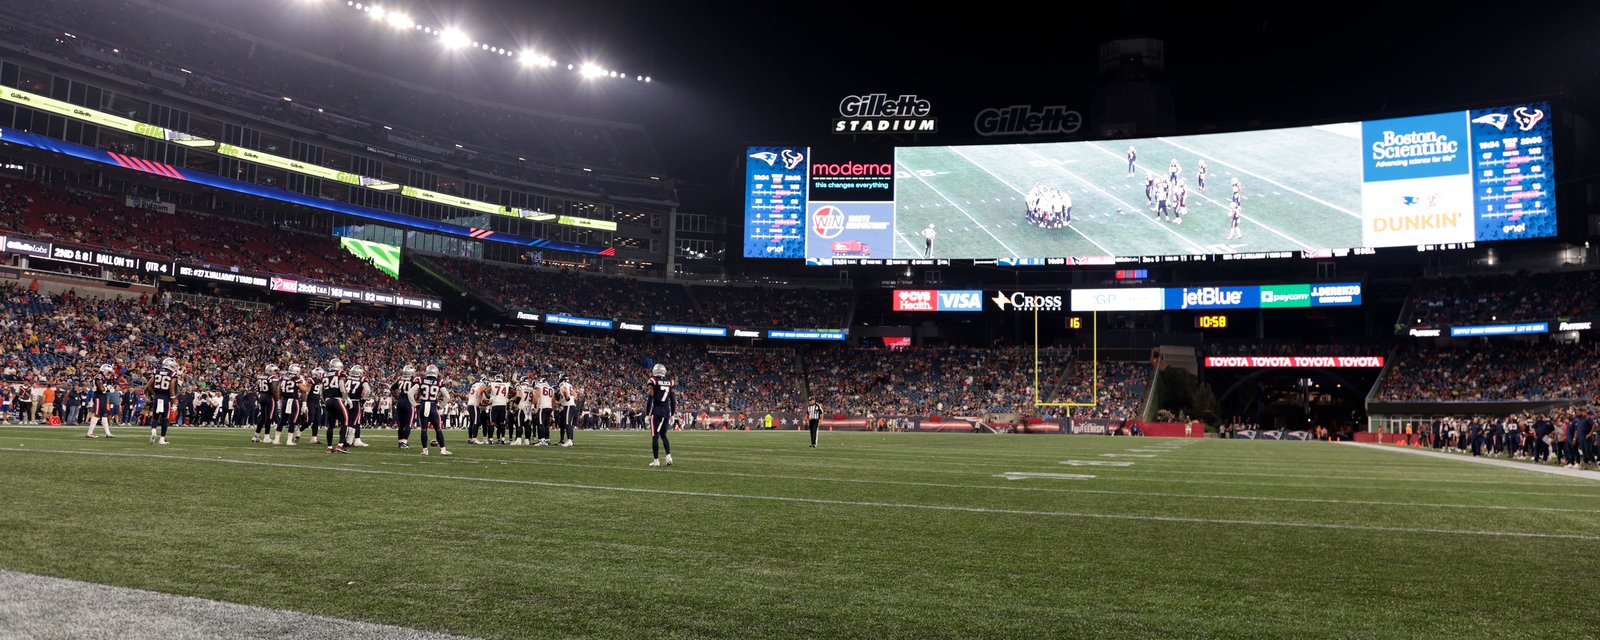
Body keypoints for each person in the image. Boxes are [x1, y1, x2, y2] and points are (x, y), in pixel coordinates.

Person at [414, 364, 451, 456]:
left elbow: (410, 393)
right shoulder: (439, 382)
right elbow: (447, 397)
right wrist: (441, 406)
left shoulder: (421, 380)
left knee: (424, 430)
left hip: (423, 405)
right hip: (433, 406)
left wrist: (414, 404)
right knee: (438, 429)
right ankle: (442, 449)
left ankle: (425, 450)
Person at [646, 363, 675, 467]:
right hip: (666, 412)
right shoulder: (669, 382)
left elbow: (650, 398)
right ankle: (668, 457)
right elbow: (673, 400)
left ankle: (656, 460)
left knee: (655, 437)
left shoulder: (653, 380)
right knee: (664, 435)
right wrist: (672, 414)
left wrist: (647, 414)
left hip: (657, 411)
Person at [145, 357, 178, 445]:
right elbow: (171, 387)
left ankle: (153, 431)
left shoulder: (157, 372)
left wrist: (153, 395)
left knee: (155, 417)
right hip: (166, 398)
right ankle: (162, 439)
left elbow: (148, 386)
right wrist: (173, 400)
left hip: (157, 397)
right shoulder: (172, 374)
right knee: (165, 419)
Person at [322, 358, 351, 454]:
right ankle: (340, 445)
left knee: (330, 425)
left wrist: (324, 400)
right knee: (345, 421)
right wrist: (347, 399)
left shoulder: (324, 374)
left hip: (328, 400)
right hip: (337, 400)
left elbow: (320, 391)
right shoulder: (340, 373)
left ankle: (329, 447)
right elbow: (342, 388)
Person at [85, 364, 117, 438]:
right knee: (97, 414)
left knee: (105, 414)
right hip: (98, 397)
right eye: (109, 372)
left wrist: (110, 384)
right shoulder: (99, 377)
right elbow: (101, 389)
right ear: (105, 370)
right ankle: (89, 433)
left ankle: (108, 433)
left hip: (103, 396)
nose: (109, 374)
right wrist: (108, 388)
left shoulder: (104, 377)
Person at [391, 365, 419, 449]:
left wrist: (396, 397)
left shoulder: (400, 379)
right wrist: (416, 399)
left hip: (400, 401)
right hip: (408, 402)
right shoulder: (414, 380)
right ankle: (404, 442)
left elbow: (392, 388)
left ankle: (400, 442)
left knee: (401, 424)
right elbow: (419, 389)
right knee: (408, 424)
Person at [557, 373, 577, 447]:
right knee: (569, 423)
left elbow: (565, 391)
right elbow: (575, 394)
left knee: (567, 423)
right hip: (571, 405)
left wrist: (567, 397)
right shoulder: (570, 385)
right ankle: (570, 440)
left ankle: (569, 440)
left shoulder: (563, 384)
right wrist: (571, 399)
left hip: (568, 406)